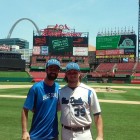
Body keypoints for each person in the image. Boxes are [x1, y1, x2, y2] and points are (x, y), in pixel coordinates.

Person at [59, 62, 103, 140]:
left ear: (79, 73)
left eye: (75, 72)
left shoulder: (89, 91)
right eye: (69, 73)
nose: (72, 75)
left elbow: (97, 115)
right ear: (66, 74)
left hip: (84, 134)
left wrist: (100, 136)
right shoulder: (61, 92)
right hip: (66, 133)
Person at [21, 58, 61, 140]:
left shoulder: (58, 88)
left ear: (58, 71)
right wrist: (24, 131)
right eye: (51, 68)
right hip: (37, 135)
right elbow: (25, 109)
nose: (53, 71)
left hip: (53, 136)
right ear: (46, 70)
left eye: (56, 69)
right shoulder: (36, 88)